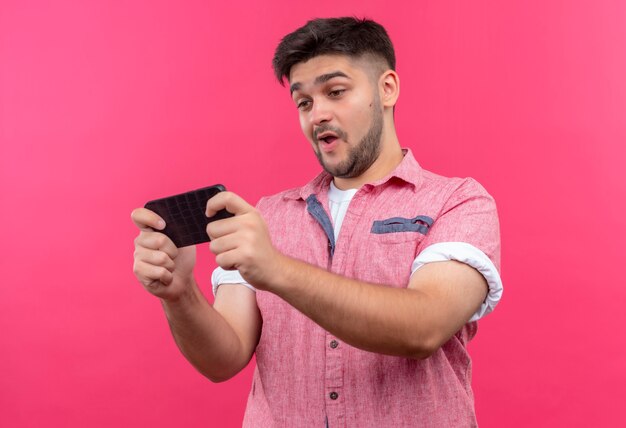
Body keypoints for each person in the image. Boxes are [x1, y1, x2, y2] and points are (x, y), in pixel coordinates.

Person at [132, 17, 502, 427]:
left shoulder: (459, 202)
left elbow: (424, 328)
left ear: (387, 89)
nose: (318, 114)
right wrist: (179, 293)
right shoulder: (266, 218)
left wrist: (275, 269)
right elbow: (223, 358)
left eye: (336, 91)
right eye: (304, 102)